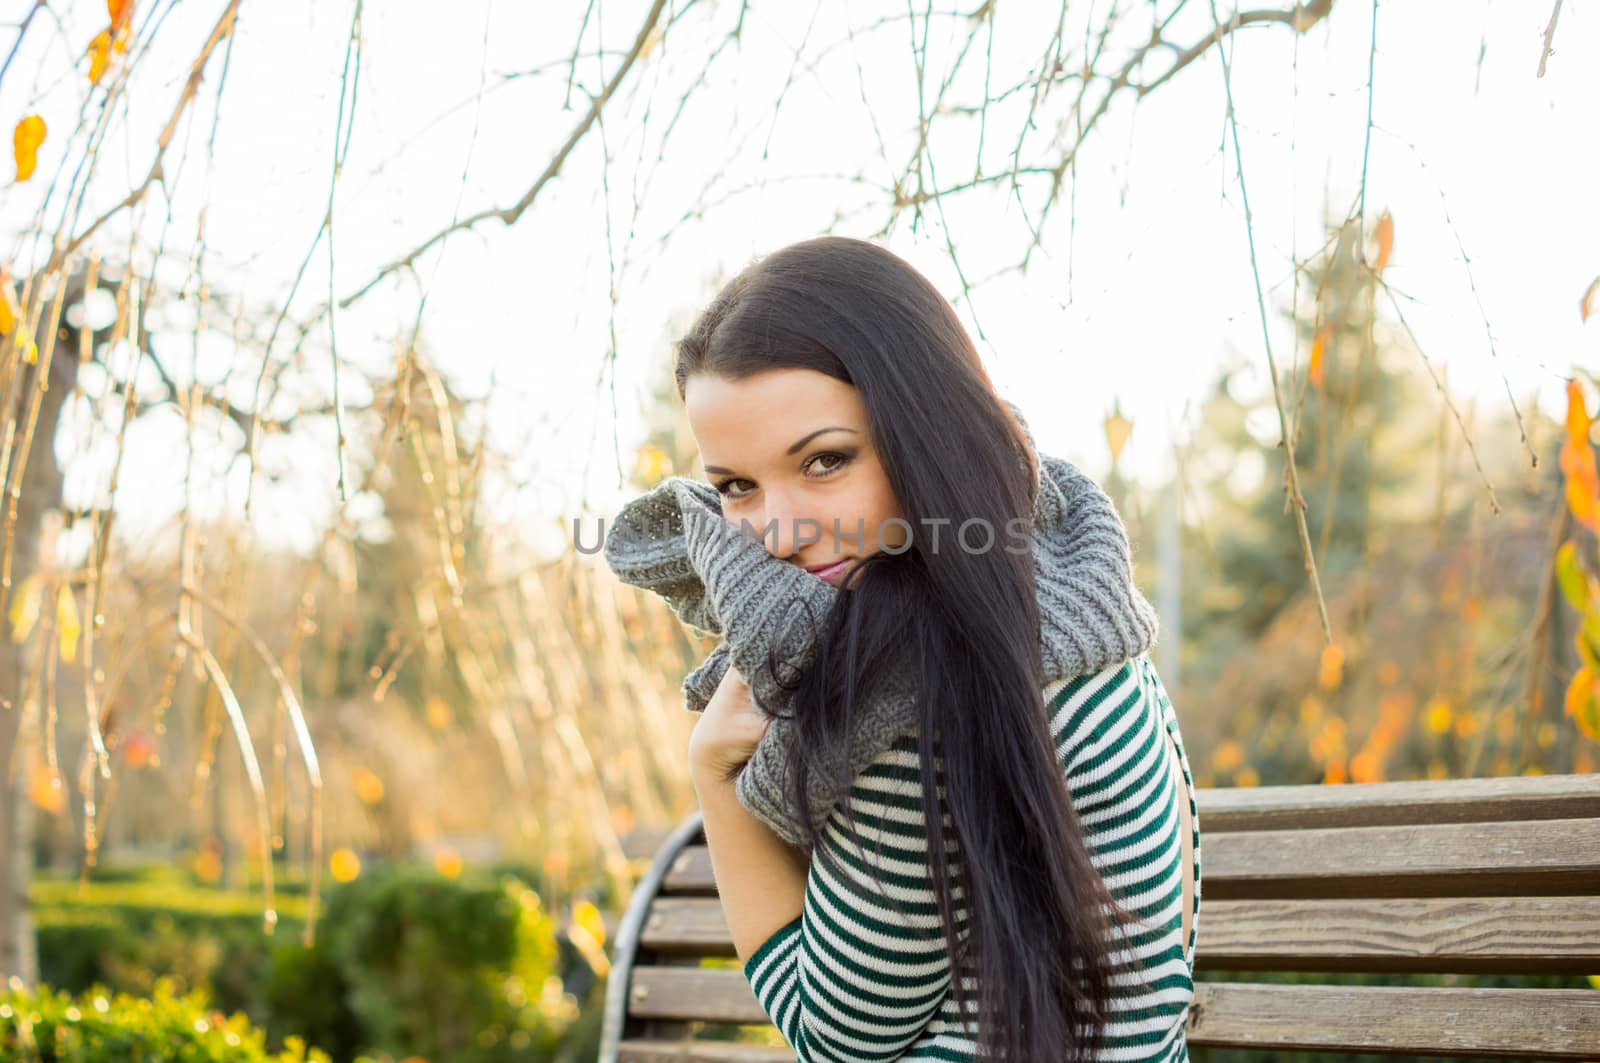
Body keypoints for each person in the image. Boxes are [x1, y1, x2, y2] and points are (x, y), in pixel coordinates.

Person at [672, 234, 1200, 1062]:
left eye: (824, 460)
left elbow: (836, 1038)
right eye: (736, 485)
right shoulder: (1065, 591)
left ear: (926, 428)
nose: (773, 532)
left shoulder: (908, 690)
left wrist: (714, 775)